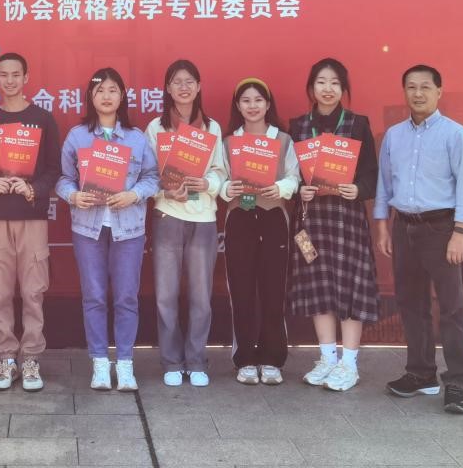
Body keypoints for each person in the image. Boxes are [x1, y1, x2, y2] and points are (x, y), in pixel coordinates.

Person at [374, 64, 463, 414]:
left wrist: (460, 232)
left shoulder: (455, 134)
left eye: (425, 87)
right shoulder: (394, 136)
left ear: (439, 92)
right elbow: (384, 183)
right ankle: (421, 374)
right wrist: (382, 225)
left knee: (452, 308)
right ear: (404, 92)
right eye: (411, 87)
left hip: (442, 229)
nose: (417, 93)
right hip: (404, 227)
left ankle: (457, 383)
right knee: (411, 304)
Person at [57, 66, 160, 392]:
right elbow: (63, 178)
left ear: (122, 96)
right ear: (90, 96)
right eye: (100, 90)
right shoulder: (77, 136)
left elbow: (153, 178)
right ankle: (100, 363)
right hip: (88, 229)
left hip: (128, 229)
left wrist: (134, 194)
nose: (106, 96)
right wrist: (73, 195)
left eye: (113, 90)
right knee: (95, 297)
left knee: (127, 297)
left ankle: (125, 363)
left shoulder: (136, 138)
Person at [0, 52, 61, 392]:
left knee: (33, 291)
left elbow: (55, 169)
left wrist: (33, 189)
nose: (10, 80)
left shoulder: (42, 120)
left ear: (26, 77)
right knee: (0, 291)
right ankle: (6, 357)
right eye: (3, 75)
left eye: (15, 74)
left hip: (32, 217)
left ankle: (31, 357)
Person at [287, 57, 379, 393]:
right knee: (319, 287)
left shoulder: (357, 124)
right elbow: (289, 174)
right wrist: (299, 188)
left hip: (346, 221)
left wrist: (359, 189)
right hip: (311, 222)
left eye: (335, 83)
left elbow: (371, 173)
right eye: (321, 82)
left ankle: (349, 363)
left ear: (343, 89)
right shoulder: (298, 126)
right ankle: (327, 358)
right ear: (311, 88)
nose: (328, 89)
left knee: (349, 287)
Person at [144, 59, 226, 387]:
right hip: (168, 215)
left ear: (199, 86)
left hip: (203, 218)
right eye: (176, 81)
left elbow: (220, 172)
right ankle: (171, 361)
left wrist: (207, 184)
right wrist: (164, 190)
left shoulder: (212, 128)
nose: (183, 87)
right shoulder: (156, 128)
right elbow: (148, 174)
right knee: (166, 295)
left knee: (200, 296)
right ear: (167, 88)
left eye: (189, 81)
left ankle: (196, 360)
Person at [221, 77, 301, 385]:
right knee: (241, 290)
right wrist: (228, 188)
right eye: (246, 100)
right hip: (239, 217)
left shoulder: (283, 140)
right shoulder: (229, 142)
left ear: (268, 105)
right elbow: (219, 178)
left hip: (273, 216)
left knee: (273, 289)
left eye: (258, 100)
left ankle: (272, 358)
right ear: (238, 106)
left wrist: (279, 187)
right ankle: (244, 358)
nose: (252, 106)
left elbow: (294, 177)